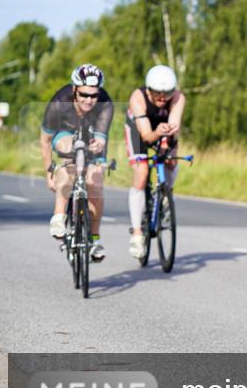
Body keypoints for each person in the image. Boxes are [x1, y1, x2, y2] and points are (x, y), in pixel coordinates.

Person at [40, 64, 113, 261]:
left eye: (94, 95)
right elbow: (45, 141)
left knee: (95, 184)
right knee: (68, 154)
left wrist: (98, 145)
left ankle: (94, 239)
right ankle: (59, 217)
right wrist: (48, 174)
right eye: (84, 95)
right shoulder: (59, 102)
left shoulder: (104, 102)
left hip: (90, 136)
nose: (89, 100)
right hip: (64, 134)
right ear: (74, 89)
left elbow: (101, 137)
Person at [124, 65, 187, 258]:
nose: (162, 98)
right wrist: (158, 134)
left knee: (171, 161)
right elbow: (146, 136)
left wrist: (166, 143)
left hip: (164, 129)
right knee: (142, 173)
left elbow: (174, 125)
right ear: (149, 89)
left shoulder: (178, 97)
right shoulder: (138, 97)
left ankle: (166, 195)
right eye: (157, 93)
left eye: (166, 93)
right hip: (140, 130)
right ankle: (136, 233)